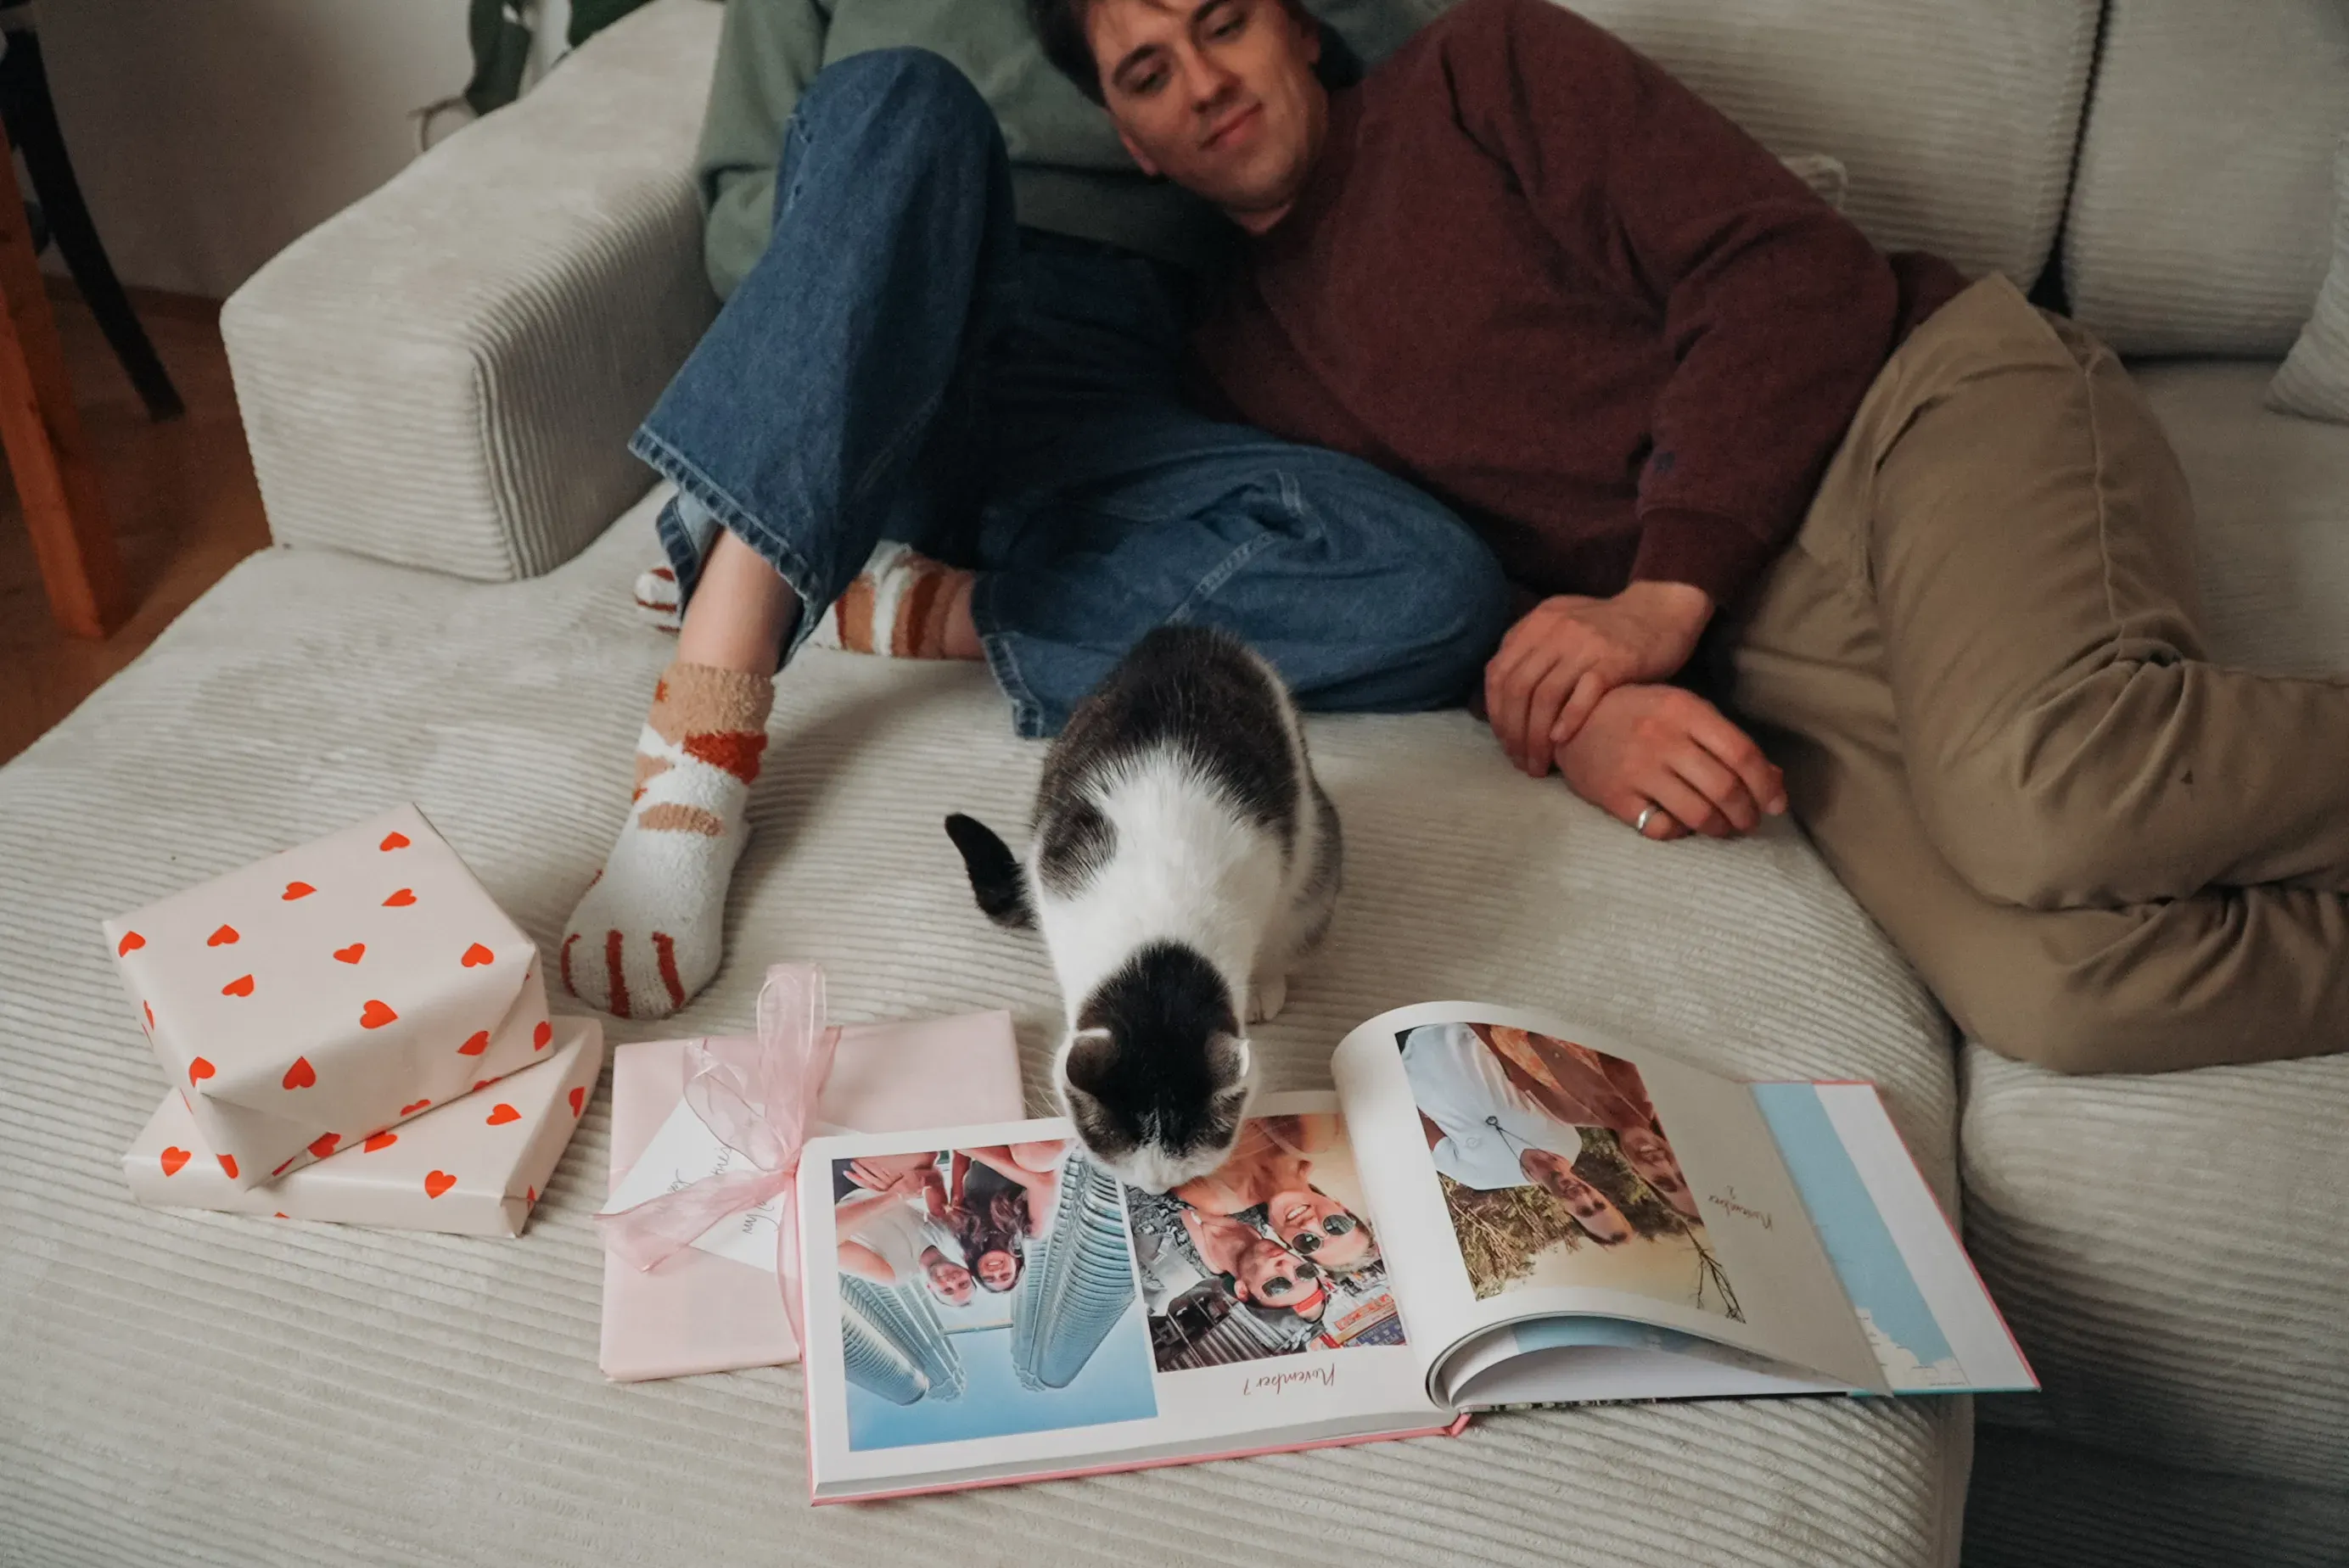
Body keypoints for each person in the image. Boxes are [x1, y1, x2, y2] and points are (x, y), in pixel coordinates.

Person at [1038, 0, 2349, 1073]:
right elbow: (1414, 587)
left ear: (1299, 28)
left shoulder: (1484, 68)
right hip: (1770, 647)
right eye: (1151, 74)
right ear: (1134, 141)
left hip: (1913, 415)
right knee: (2063, 996)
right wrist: (1575, 712)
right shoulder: (1235, 365)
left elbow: (1791, 270)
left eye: (1224, 22)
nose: (1207, 82)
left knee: (2045, 796)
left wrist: (1661, 594)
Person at [558, 0, 1505, 1021]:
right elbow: (744, 205)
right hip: (900, 330)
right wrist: (896, 246)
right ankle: (702, 739)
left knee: (1433, 581)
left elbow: (1384, 76)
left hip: (1124, 384)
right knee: (902, 95)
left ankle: (915, 603)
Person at [1169, 1112, 1378, 1273]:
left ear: (1285, 1241)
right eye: (1335, 1226)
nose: (1309, 1225)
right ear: (1339, 1206)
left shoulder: (1211, 1196)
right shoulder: (1312, 1136)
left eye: (1308, 1242)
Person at [1180, 1207, 1327, 1321]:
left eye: (1277, 1286)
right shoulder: (1261, 1207)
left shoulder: (1173, 1258)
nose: (1286, 1265)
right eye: (1304, 1272)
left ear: (1242, 1290)